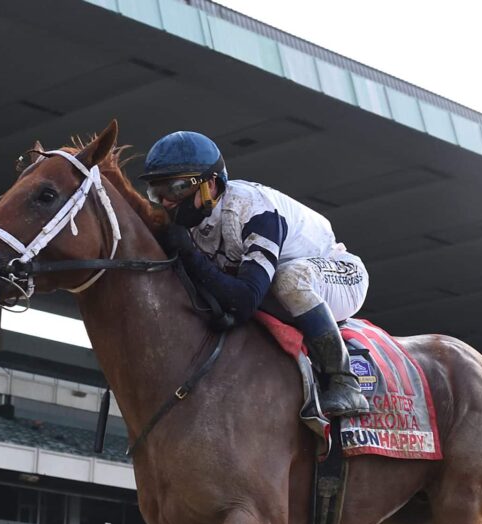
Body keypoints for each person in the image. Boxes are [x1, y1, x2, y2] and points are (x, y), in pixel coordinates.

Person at [139, 131, 371, 419]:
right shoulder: (195, 222)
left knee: (288, 279)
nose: (166, 202)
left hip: (341, 274)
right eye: (156, 192)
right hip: (271, 288)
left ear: (209, 185)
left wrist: (190, 254)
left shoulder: (253, 209)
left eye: (175, 189)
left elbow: (246, 299)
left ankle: (345, 381)